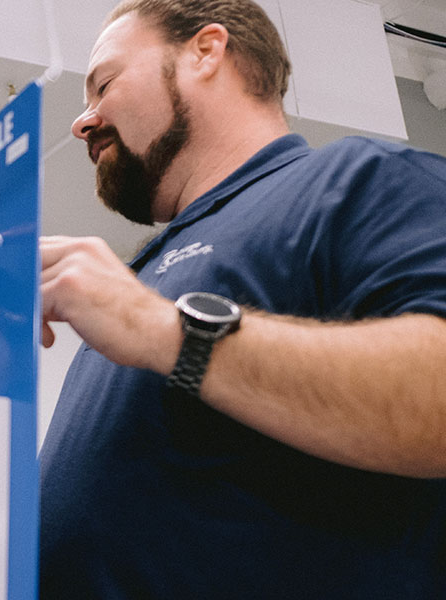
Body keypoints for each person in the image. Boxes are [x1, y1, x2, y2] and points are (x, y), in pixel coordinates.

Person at [38, 0, 446, 596]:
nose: (83, 121)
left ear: (206, 50)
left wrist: (160, 329)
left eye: (104, 84)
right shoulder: (142, 271)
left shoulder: (363, 180)